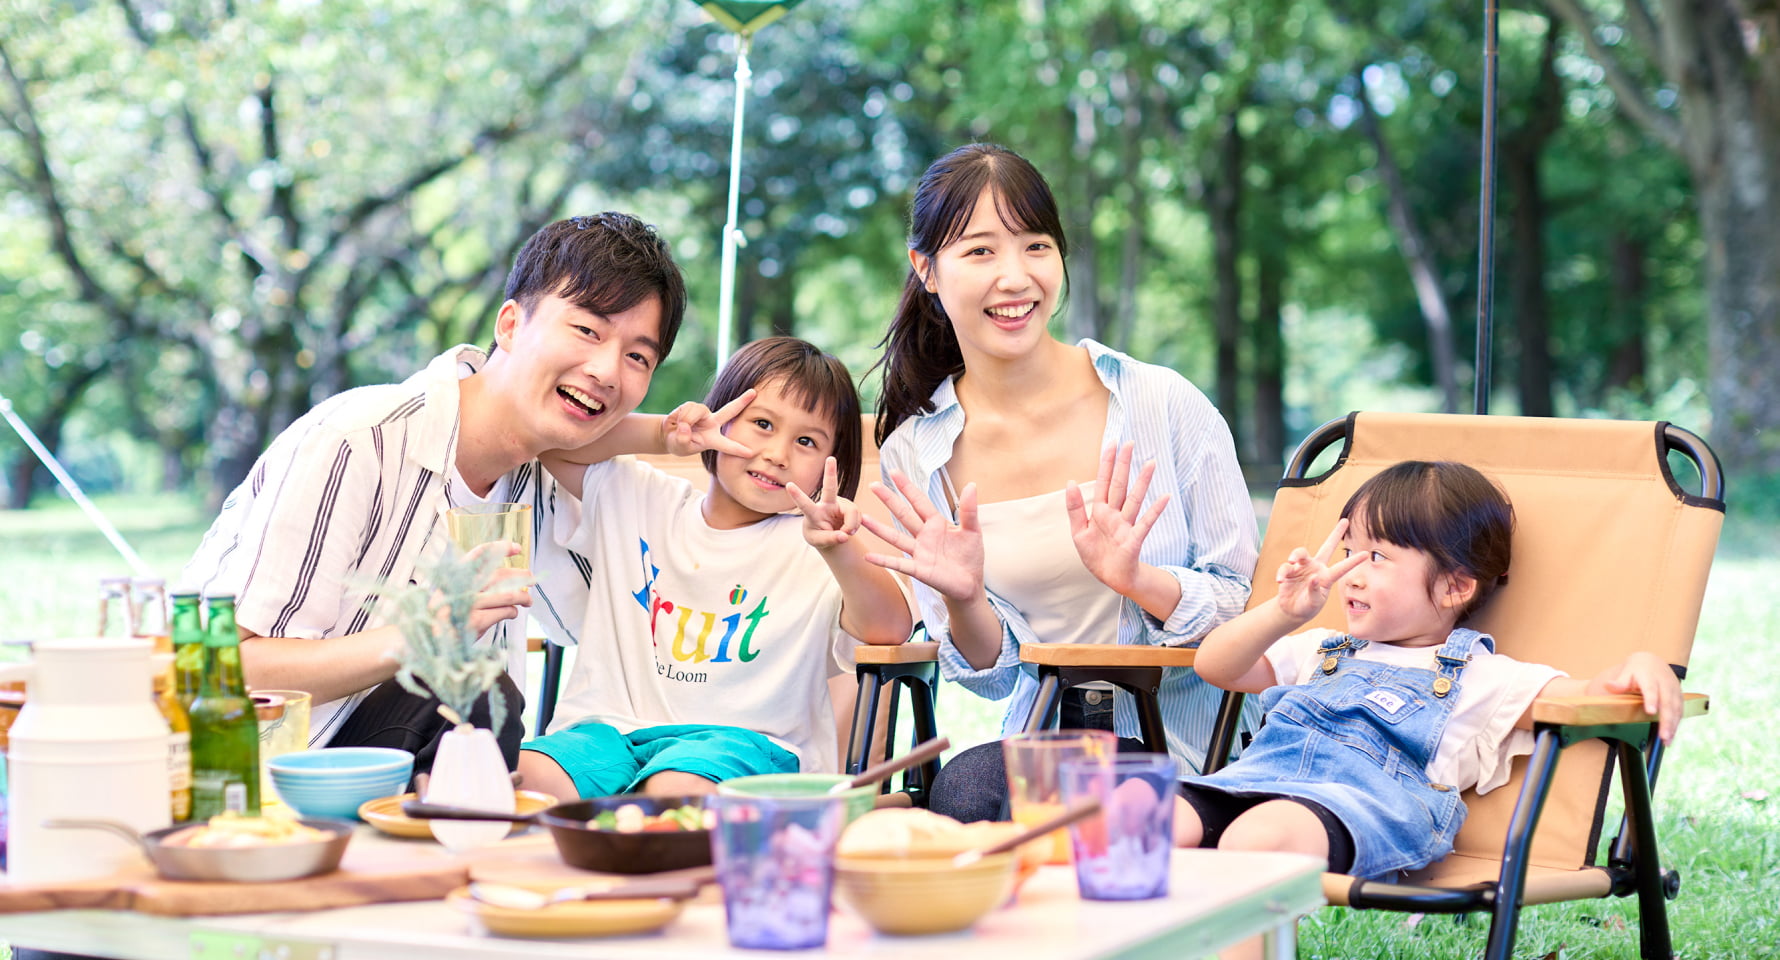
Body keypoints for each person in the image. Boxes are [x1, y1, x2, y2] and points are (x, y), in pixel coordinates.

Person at [180, 213, 687, 775]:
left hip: (403, 777)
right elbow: (221, 667)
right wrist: (422, 635)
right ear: (510, 325)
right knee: (472, 692)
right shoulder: (358, 440)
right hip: (243, 778)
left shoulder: (540, 476)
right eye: (588, 330)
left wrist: (690, 444)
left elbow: (617, 623)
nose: (607, 371)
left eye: (638, 356)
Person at [862, 143, 1260, 821]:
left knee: (1034, 812)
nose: (1015, 278)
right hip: (1048, 746)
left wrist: (1141, 581)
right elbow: (990, 679)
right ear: (925, 269)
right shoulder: (915, 453)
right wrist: (963, 598)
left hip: (1195, 749)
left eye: (1036, 247)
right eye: (980, 251)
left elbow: (1245, 611)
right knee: (964, 792)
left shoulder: (1163, 404)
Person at [1181, 460, 1684, 890]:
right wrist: (1283, 614)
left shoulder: (1483, 677)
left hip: (1363, 807)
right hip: (1249, 783)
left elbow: (1588, 696)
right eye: (1349, 553)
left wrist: (1643, 664)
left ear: (1453, 588)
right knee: (1146, 814)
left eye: (1377, 557)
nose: (1350, 574)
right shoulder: (1321, 648)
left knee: (1257, 839)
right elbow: (1216, 666)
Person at [516, 337, 913, 800]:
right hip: (606, 732)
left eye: (806, 441)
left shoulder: (821, 550)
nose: (778, 454)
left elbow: (890, 630)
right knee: (524, 778)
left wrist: (840, 551)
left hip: (748, 745)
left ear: (833, 464)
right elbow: (552, 442)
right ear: (717, 417)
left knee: (673, 792)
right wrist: (662, 435)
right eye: (762, 424)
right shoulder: (639, 496)